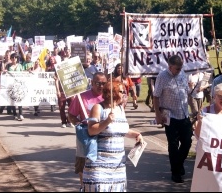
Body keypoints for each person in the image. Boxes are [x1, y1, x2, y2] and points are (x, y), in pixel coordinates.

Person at [82, 81, 144, 192]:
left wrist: (137, 134)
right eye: (121, 91)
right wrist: (107, 121)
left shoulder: (120, 109)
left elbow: (121, 130)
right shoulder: (98, 108)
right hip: (99, 165)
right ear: (112, 93)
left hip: (118, 166)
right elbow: (91, 130)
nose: (124, 94)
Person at [152, 55, 192, 183]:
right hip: (171, 117)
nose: (179, 70)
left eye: (181, 68)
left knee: (187, 142)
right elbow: (156, 96)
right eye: (177, 68)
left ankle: (178, 164)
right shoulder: (162, 77)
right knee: (173, 145)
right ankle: (175, 173)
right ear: (170, 67)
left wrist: (194, 110)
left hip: (184, 114)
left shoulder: (182, 74)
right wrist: (158, 114)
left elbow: (187, 93)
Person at [68, 72, 107, 192]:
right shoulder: (82, 97)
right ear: (91, 83)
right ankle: (83, 187)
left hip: (102, 135)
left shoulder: (108, 97)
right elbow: (71, 115)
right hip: (85, 135)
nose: (101, 86)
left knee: (99, 164)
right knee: (83, 164)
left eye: (103, 83)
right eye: (98, 83)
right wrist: (79, 124)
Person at [5, 53, 25, 121]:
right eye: (13, 58)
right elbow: (4, 72)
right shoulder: (8, 66)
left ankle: (21, 113)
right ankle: (14, 114)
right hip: (11, 85)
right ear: (10, 58)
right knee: (12, 100)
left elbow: (23, 73)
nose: (14, 59)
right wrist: (5, 72)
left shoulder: (20, 66)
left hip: (18, 84)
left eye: (15, 58)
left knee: (19, 99)